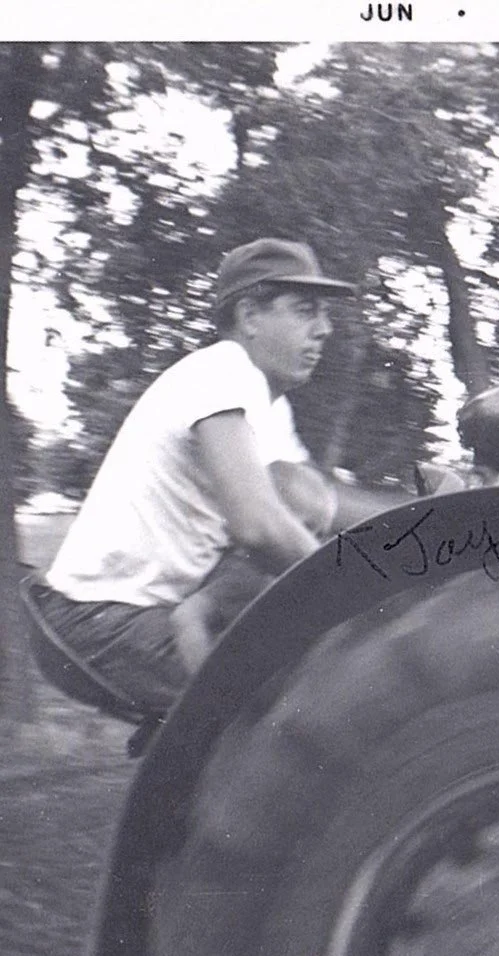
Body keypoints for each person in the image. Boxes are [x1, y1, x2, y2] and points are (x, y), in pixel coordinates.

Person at [34, 238, 365, 715]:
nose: (324, 329)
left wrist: (428, 525)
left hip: (141, 613)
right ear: (250, 316)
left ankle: (201, 619)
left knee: (300, 497)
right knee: (308, 706)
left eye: (324, 315)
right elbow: (260, 528)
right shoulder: (224, 370)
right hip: (100, 619)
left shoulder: (269, 408)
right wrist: (358, 594)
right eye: (305, 311)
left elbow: (315, 503)